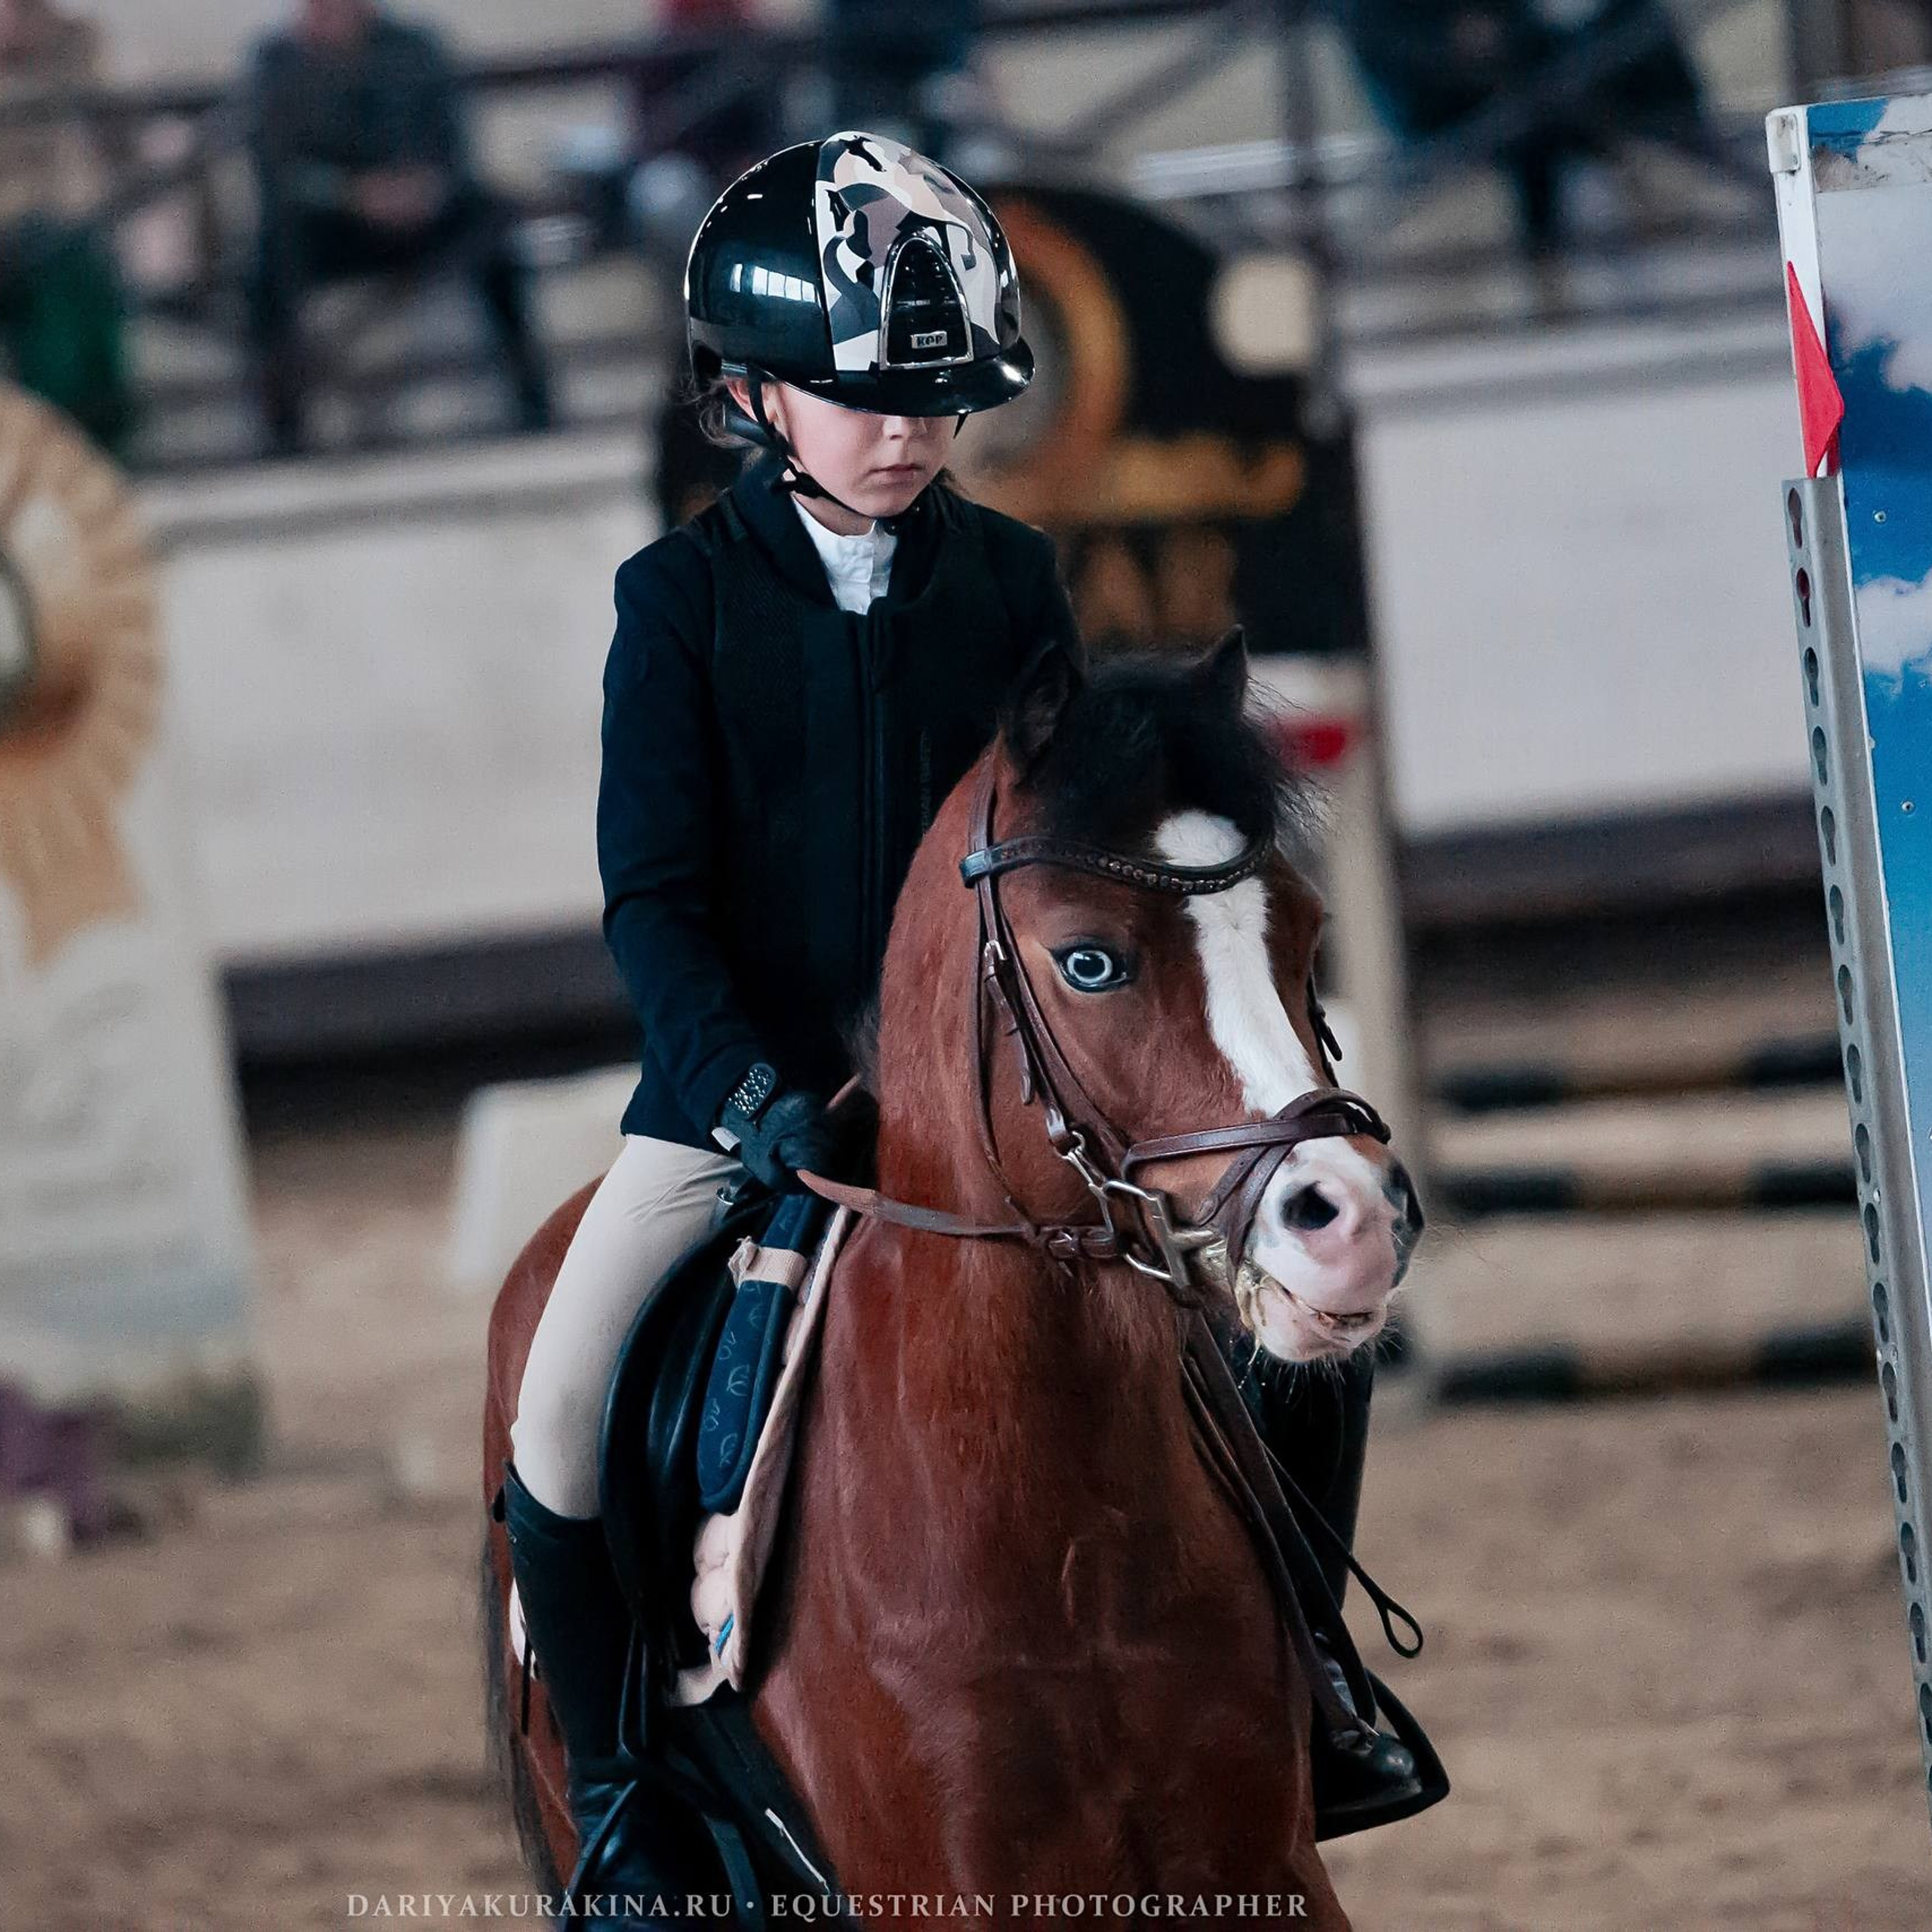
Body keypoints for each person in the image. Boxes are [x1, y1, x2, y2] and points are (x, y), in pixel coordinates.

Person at [498, 129, 1391, 1918]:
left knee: (1300, 1333)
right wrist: (753, 1092)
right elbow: (651, 900)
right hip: (730, 1094)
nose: (902, 432)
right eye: (855, 397)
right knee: (561, 1400)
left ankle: (1311, 1666)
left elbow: (1064, 853)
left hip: (992, 1095)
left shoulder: (1004, 580)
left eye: (932, 398)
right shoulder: (674, 605)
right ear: (751, 395)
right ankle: (619, 1800)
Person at [241, 0, 552, 454]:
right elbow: (279, 170)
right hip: (330, 229)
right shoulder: (277, 61)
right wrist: (353, 194)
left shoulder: (415, 50)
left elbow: (454, 149)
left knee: (493, 220)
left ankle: (531, 397)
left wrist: (425, 189)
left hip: (422, 218)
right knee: (270, 258)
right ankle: (282, 425)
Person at [0, 0, 135, 455]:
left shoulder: (74, 42)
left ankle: (91, 438)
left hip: (65, 226)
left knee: (74, 271)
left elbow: (118, 138)